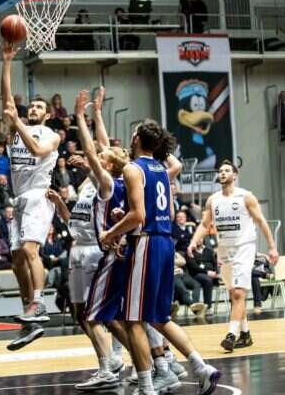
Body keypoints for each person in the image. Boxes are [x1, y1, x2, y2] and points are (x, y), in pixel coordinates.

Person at [101, 118, 220, 395]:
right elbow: (153, 211)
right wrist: (124, 217)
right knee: (158, 317)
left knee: (133, 320)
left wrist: (111, 233)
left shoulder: (133, 168)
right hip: (165, 243)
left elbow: (139, 216)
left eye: (133, 134)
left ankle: (146, 386)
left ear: (137, 139)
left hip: (146, 244)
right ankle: (202, 367)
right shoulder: (162, 170)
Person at [1, 42, 61, 351]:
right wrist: (7, 62)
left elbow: (37, 150)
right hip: (19, 198)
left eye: (39, 107)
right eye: (31, 106)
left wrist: (19, 124)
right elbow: (6, 101)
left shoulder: (51, 135)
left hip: (39, 195)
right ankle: (30, 317)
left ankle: (39, 302)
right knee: (15, 261)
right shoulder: (15, 130)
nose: (33, 109)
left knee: (29, 250)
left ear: (47, 114)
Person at [70, 89, 129, 389]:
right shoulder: (105, 178)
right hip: (87, 248)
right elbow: (104, 148)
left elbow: (97, 151)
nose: (98, 154)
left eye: (102, 158)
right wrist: (98, 114)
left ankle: (118, 361)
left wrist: (81, 117)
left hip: (100, 249)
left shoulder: (105, 181)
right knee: (89, 313)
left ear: (107, 165)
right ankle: (147, 359)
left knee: (98, 314)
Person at [187, 159, 279, 352]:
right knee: (233, 294)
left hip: (244, 248)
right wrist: (194, 241)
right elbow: (204, 225)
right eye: (220, 171)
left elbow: (261, 221)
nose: (222, 173)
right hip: (224, 250)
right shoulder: (213, 200)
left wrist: (272, 247)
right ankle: (245, 334)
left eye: (227, 170)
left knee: (238, 293)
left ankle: (231, 335)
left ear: (235, 175)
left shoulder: (246, 197)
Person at [186, 239, 218, 312]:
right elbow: (193, 267)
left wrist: (215, 272)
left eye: (200, 239)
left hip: (211, 274)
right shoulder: (190, 251)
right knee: (207, 280)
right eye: (197, 239)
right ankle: (208, 307)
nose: (199, 240)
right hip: (196, 274)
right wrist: (207, 272)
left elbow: (215, 263)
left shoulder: (209, 251)